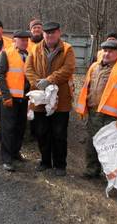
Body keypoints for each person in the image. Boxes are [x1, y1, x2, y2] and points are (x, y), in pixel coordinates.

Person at [76, 40, 117, 178]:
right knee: (91, 142)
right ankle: (92, 170)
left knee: (109, 146)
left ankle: (110, 173)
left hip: (111, 116)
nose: (107, 54)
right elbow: (87, 88)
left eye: (111, 51)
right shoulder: (94, 67)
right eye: (105, 51)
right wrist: (83, 109)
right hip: (93, 113)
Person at [25, 22, 75, 176]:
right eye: (47, 33)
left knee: (59, 133)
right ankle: (45, 161)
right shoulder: (35, 48)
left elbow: (68, 69)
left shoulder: (68, 49)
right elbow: (28, 69)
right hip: (40, 98)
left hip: (61, 99)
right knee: (42, 132)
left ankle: (60, 165)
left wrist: (50, 80)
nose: (49, 36)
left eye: (53, 33)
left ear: (59, 33)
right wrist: (38, 83)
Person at [0, 30, 31, 171]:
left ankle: (15, 153)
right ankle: (6, 158)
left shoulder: (28, 55)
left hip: (24, 98)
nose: (25, 42)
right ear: (14, 41)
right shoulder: (5, 54)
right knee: (8, 129)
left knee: (20, 127)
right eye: (22, 40)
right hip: (9, 99)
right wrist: (6, 96)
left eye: (26, 40)